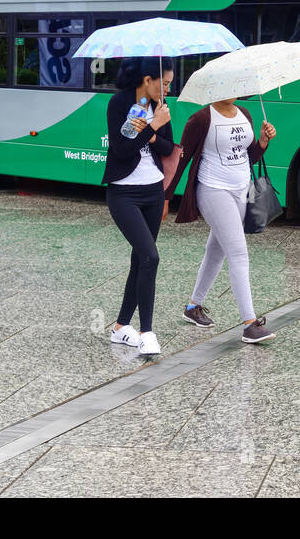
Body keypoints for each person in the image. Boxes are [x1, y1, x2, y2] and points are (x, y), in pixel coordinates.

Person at [170, 98, 279, 345]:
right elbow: (182, 159)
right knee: (238, 253)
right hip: (213, 190)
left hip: (241, 190)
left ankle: (193, 306)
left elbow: (247, 155)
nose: (235, 91)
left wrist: (262, 141)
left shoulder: (245, 113)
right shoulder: (200, 119)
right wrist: (165, 198)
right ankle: (250, 324)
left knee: (216, 250)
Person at [102, 59, 175, 357]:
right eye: (165, 82)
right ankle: (146, 332)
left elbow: (170, 148)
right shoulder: (119, 103)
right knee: (151, 257)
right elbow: (121, 148)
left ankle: (120, 328)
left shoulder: (161, 107)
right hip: (123, 193)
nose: (169, 88)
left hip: (153, 191)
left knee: (140, 260)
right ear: (148, 80)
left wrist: (156, 128)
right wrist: (152, 127)